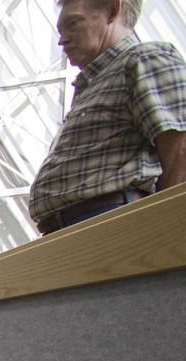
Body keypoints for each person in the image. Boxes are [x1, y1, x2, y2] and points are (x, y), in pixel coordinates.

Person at [30, 0, 186, 235]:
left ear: (112, 10)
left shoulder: (143, 59)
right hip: (74, 229)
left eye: (73, 23)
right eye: (60, 31)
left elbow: (181, 149)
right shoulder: (95, 82)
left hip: (110, 222)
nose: (62, 40)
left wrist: (161, 232)